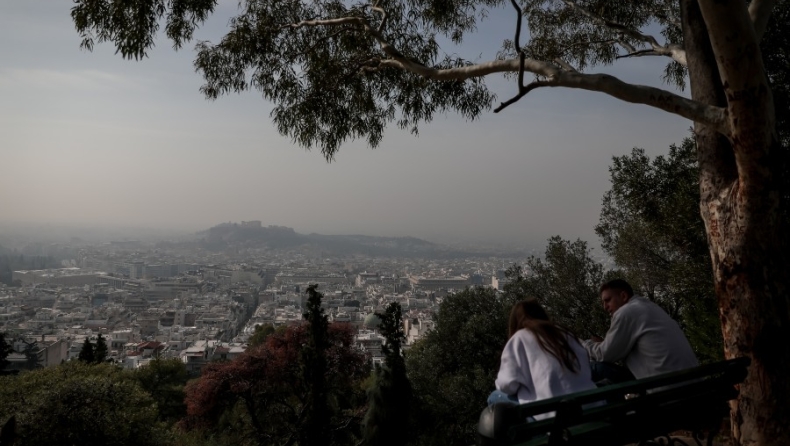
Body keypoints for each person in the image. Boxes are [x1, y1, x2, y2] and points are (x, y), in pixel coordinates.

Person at [488, 298, 597, 419]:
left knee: (494, 397)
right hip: (590, 409)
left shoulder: (520, 338)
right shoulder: (565, 333)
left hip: (554, 419)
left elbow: (506, 386)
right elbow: (586, 370)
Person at [583, 279, 699, 383]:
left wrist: (582, 344)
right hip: (692, 383)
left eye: (608, 300)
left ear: (623, 296)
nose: (605, 307)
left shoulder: (626, 312)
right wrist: (602, 344)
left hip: (667, 389)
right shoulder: (649, 306)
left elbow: (605, 354)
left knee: (596, 368)